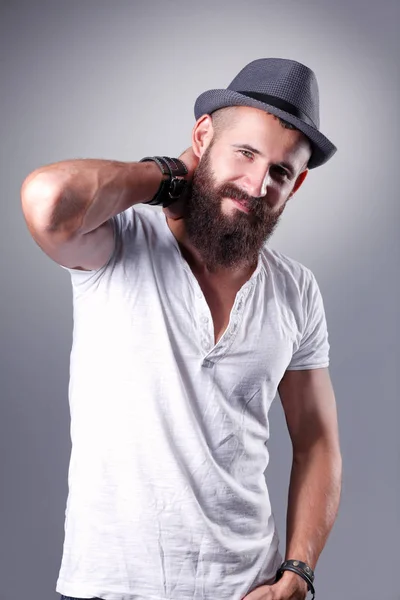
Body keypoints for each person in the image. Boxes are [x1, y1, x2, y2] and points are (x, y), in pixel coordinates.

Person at [21, 58, 342, 600]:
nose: (257, 184)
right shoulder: (116, 242)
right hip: (115, 585)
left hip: (248, 587)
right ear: (203, 137)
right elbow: (49, 200)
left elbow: (316, 442)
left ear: (298, 183)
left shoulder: (295, 288)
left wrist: (298, 572)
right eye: (245, 152)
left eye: (281, 172)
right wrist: (168, 175)